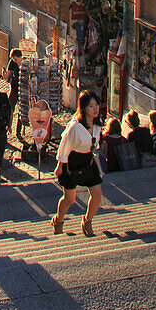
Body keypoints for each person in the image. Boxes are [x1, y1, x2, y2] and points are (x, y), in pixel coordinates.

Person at [52, 89, 103, 237]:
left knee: (97, 194)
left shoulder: (97, 124)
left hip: (88, 160)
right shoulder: (75, 127)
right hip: (72, 161)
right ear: (84, 108)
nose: (95, 109)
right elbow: (64, 146)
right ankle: (58, 220)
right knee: (70, 199)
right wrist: (59, 166)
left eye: (96, 105)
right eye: (91, 106)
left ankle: (87, 221)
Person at [4, 49, 23, 136]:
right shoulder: (12, 62)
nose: (14, 61)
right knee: (10, 107)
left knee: (22, 109)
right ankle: (8, 126)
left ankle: (18, 130)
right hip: (14, 88)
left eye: (15, 59)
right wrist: (4, 73)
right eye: (13, 59)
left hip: (23, 89)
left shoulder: (25, 63)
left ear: (20, 57)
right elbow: (7, 76)